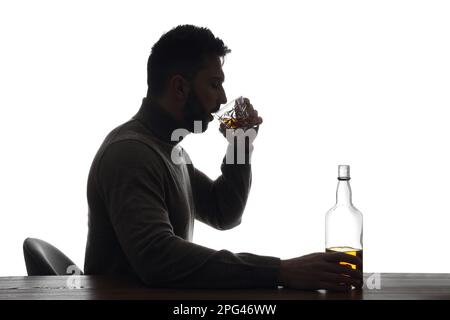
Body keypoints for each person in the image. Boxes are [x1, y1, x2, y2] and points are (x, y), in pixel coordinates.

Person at [84, 25, 362, 291]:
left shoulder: (170, 151)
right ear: (180, 88)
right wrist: (281, 271)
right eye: (215, 84)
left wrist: (239, 145)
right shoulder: (130, 153)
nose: (223, 98)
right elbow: (157, 258)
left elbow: (223, 212)